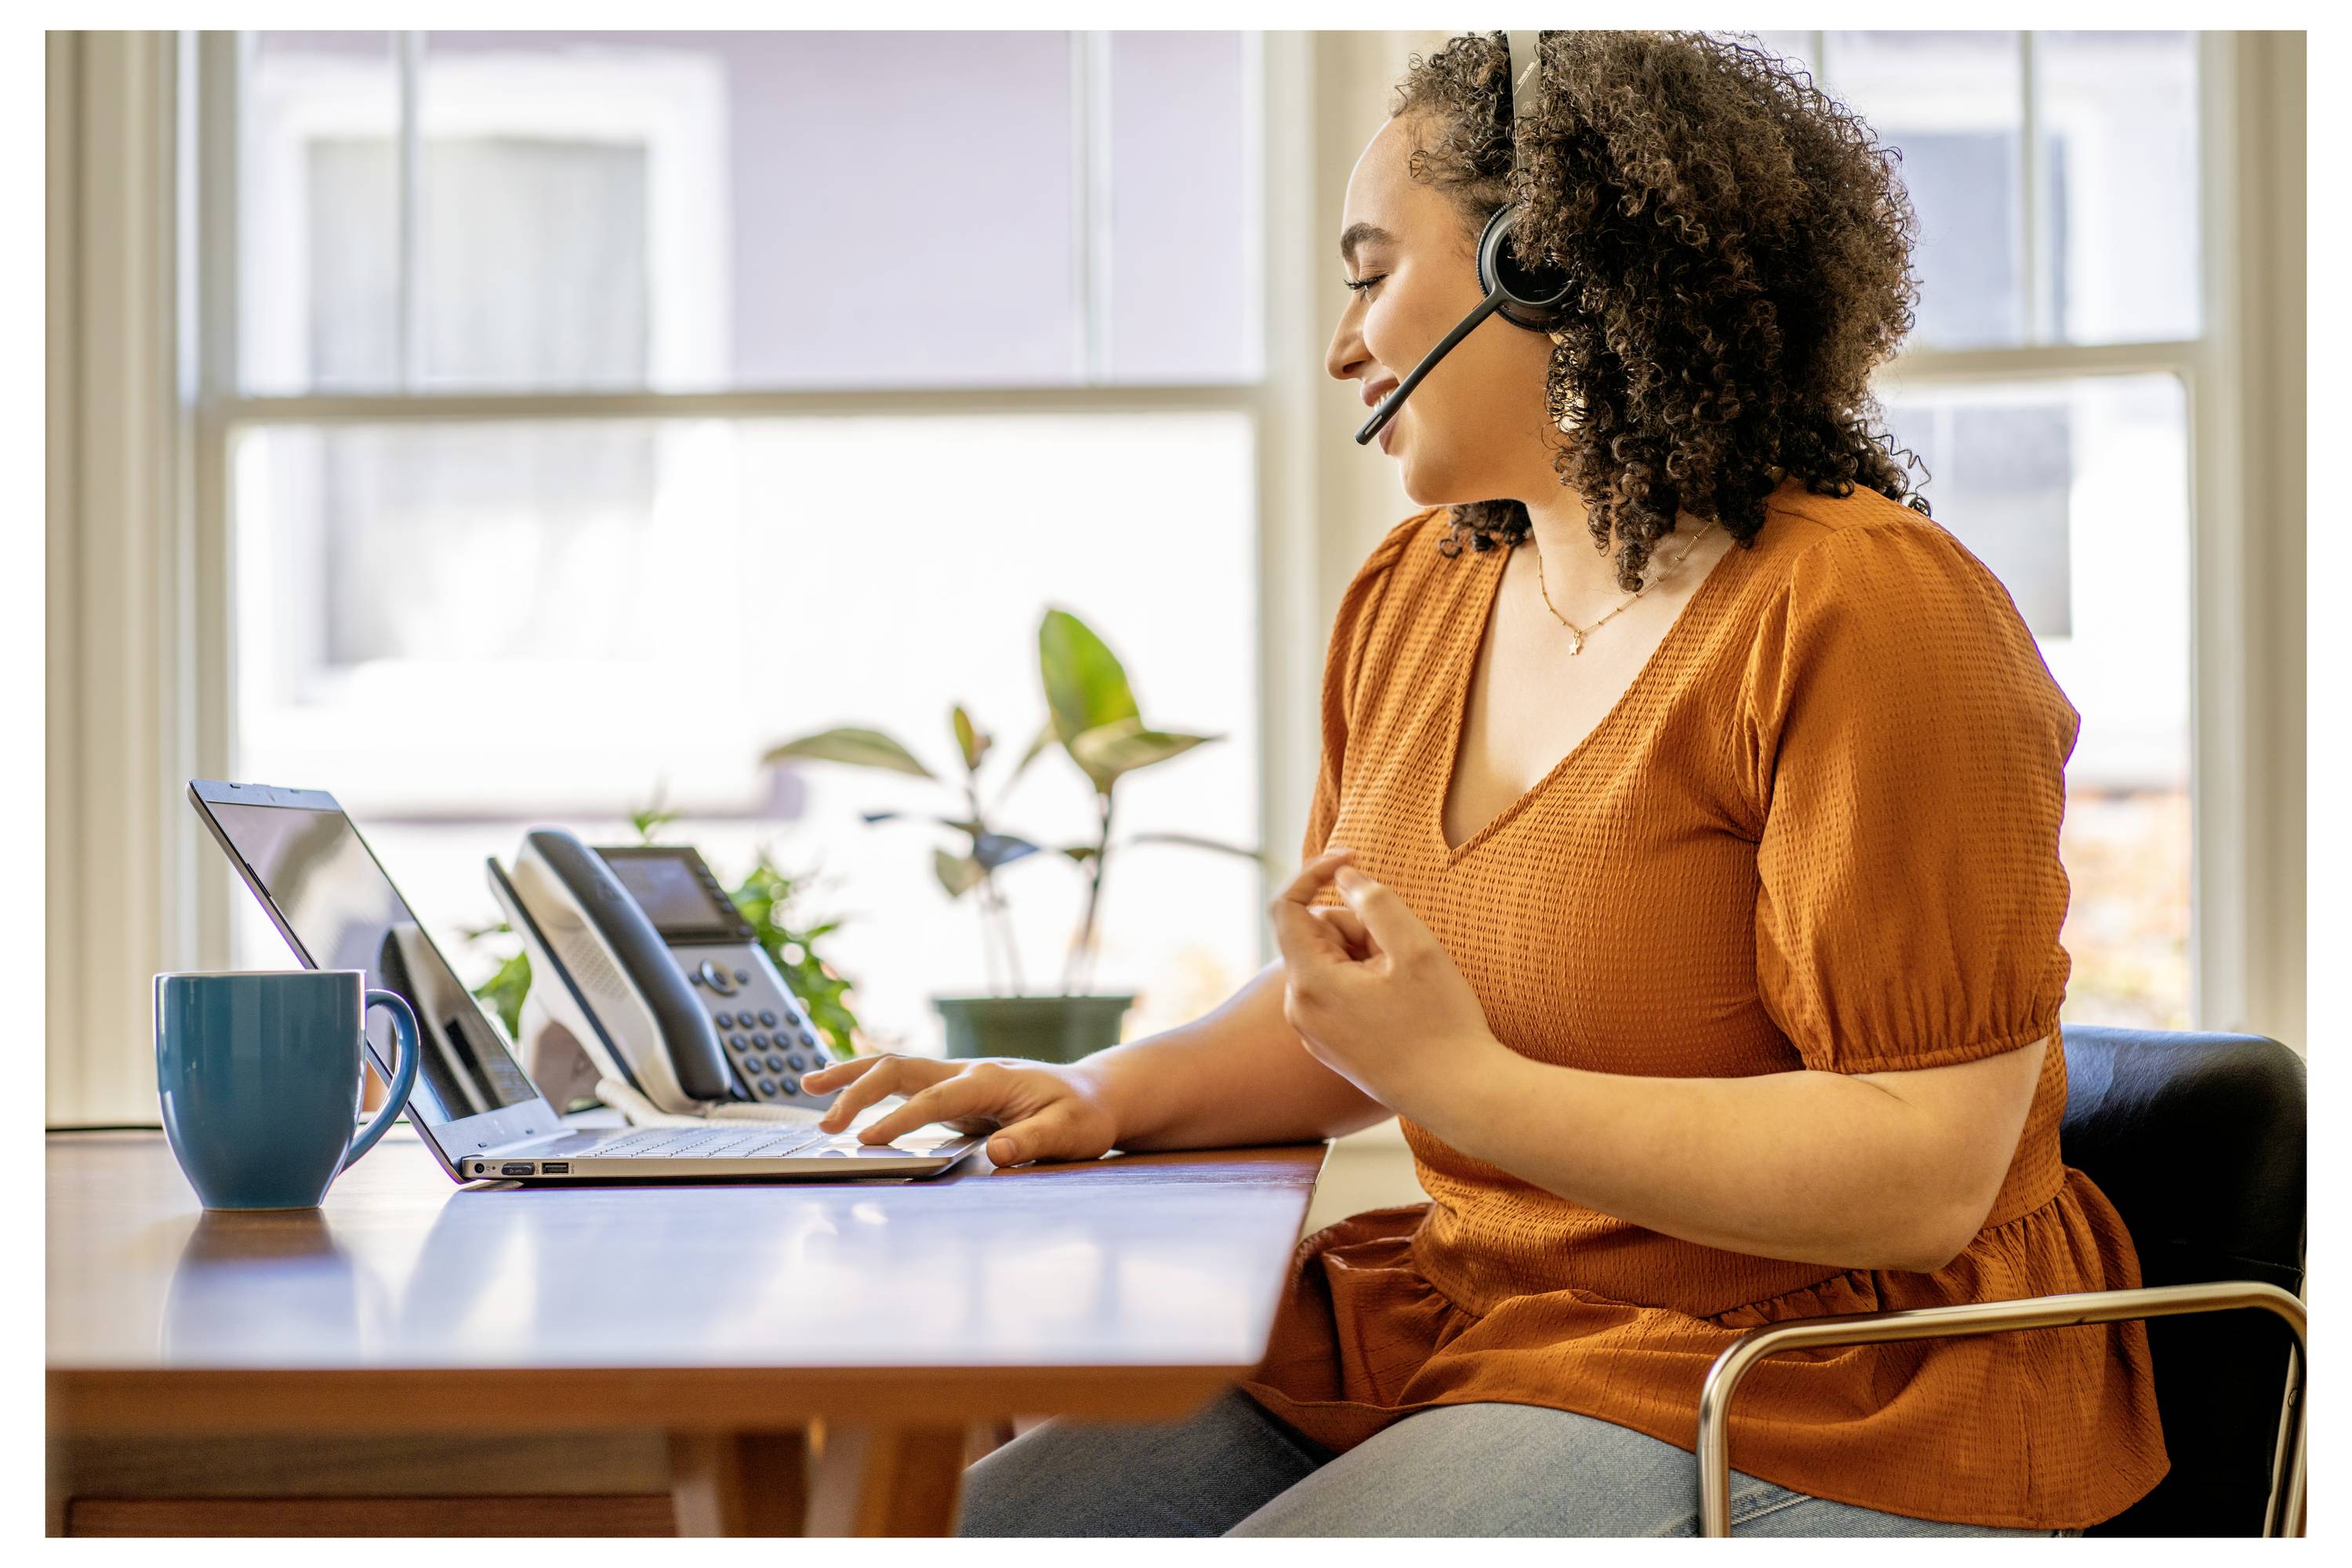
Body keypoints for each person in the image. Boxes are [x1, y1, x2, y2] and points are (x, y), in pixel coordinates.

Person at [802, 30, 2162, 1537]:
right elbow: (1360, 1020)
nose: (1341, 347)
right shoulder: (1421, 588)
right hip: (1483, 1327)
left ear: (1549, 269)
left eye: (1372, 273)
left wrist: (1468, 1088)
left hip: (1825, 1378)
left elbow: (1922, 1176)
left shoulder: (1870, 616)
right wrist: (1106, 1093)